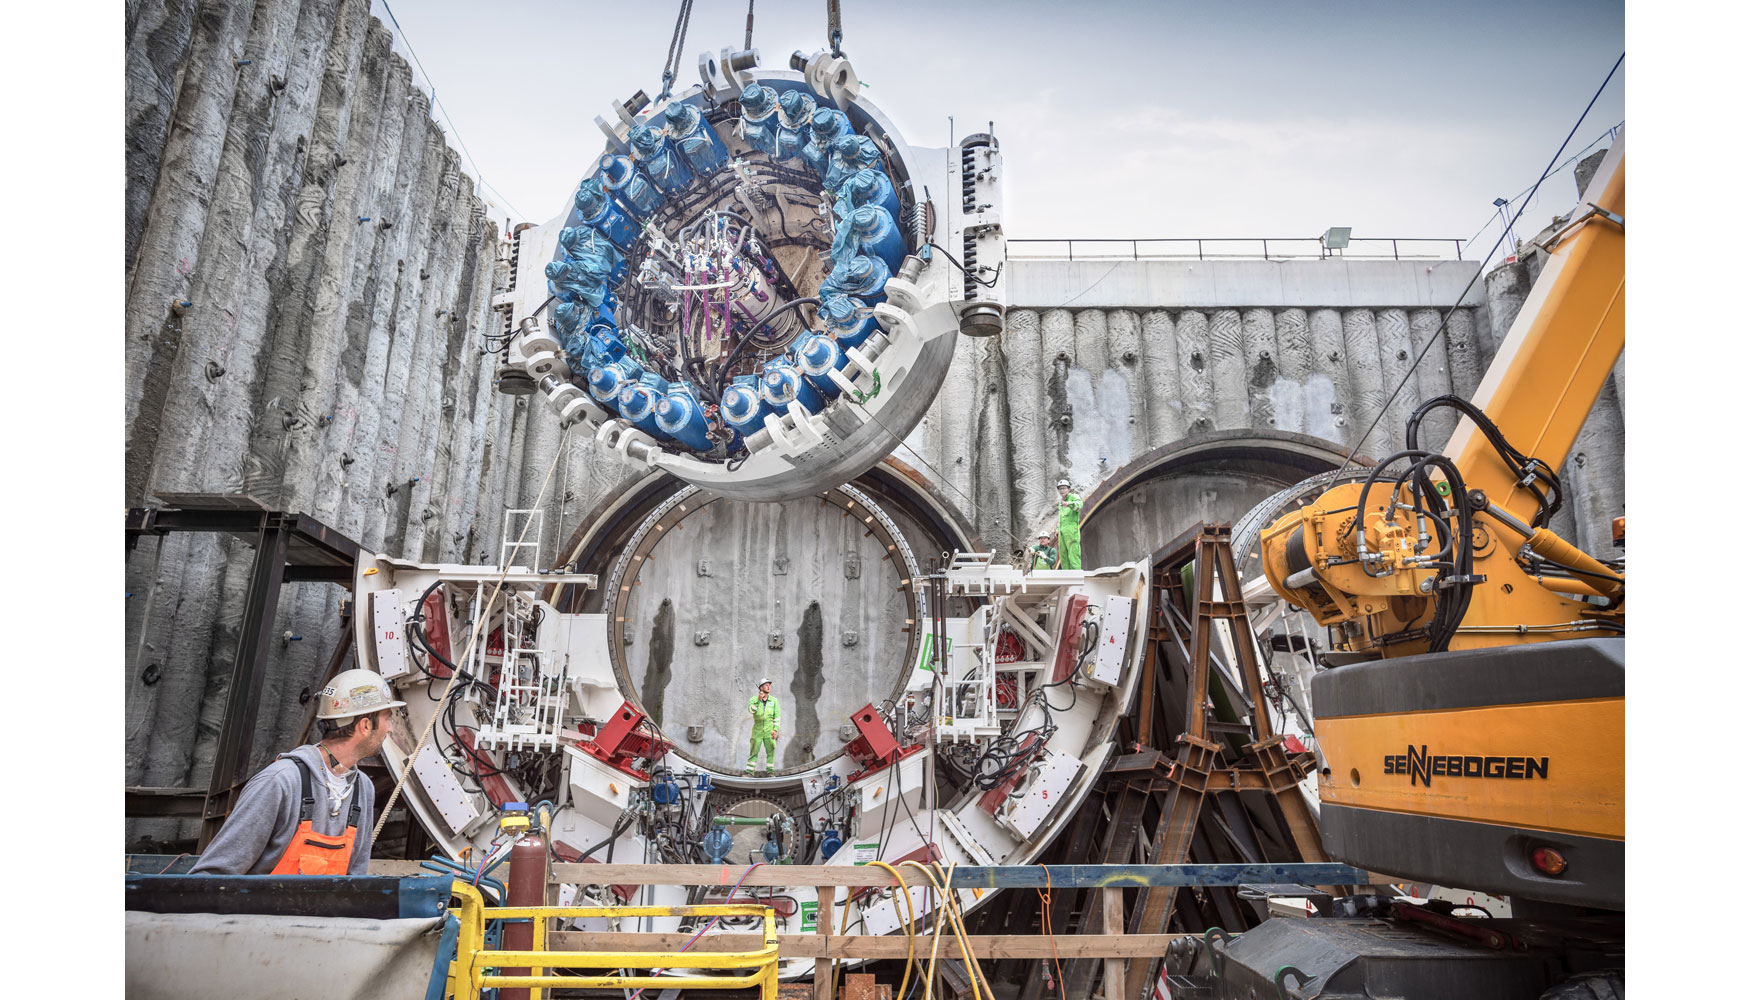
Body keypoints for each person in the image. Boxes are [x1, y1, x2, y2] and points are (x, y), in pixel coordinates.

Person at [191, 669, 405, 875]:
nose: (390, 728)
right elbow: (211, 876)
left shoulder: (362, 789)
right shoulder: (280, 782)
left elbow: (353, 880)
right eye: (387, 718)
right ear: (365, 726)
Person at [746, 677, 781, 775]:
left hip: (769, 730)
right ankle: (749, 772)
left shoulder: (774, 701)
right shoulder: (753, 699)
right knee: (754, 751)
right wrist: (758, 700)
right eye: (766, 685)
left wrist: (775, 729)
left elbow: (777, 716)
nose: (769, 686)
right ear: (761, 688)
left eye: (769, 685)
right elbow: (751, 710)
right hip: (757, 730)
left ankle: (770, 772)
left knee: (771, 751)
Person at [1055, 478, 1084, 570]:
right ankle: (1066, 574)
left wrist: (1069, 504)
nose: (1062, 490)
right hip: (1062, 531)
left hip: (1071, 530)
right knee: (1063, 554)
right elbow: (1061, 517)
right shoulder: (1061, 503)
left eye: (1064, 488)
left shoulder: (1073, 497)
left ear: (1069, 489)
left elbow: (1079, 505)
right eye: (1060, 488)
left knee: (1073, 552)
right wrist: (1057, 529)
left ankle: (1076, 574)